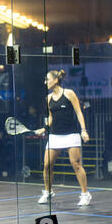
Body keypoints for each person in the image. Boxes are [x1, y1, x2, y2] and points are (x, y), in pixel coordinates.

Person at [34, 70, 92, 206]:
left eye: (47, 79)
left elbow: (78, 112)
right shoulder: (48, 98)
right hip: (55, 136)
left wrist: (83, 130)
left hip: (71, 134)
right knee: (47, 165)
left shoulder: (69, 93)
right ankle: (48, 192)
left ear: (55, 80)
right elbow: (51, 117)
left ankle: (85, 194)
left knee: (76, 165)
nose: (45, 82)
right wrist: (44, 128)